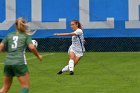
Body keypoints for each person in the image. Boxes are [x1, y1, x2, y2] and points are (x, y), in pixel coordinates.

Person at [0, 17, 42, 93]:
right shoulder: (25, 36)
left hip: (8, 62)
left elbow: (1, 46)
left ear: (15, 26)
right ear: (24, 25)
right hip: (19, 62)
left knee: (5, 88)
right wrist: (38, 56)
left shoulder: (9, 35)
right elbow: (32, 47)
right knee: (24, 86)